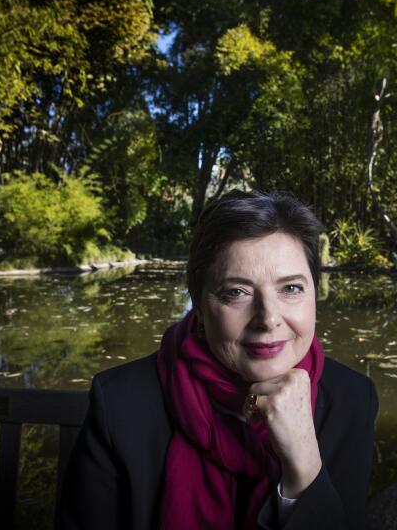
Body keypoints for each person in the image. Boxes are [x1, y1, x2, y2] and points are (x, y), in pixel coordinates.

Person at [60, 190, 378, 529]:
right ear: (198, 308)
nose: (268, 318)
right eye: (236, 292)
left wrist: (304, 465)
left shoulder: (352, 399)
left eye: (291, 289)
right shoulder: (120, 402)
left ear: (315, 294)